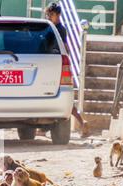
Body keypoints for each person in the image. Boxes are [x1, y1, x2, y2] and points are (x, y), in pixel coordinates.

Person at [45, 2, 90, 138]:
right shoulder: (58, 28)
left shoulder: (54, 28)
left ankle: (82, 122)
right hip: (54, 64)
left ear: (55, 14)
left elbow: (62, 47)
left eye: (50, 14)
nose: (48, 17)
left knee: (60, 98)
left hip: (54, 66)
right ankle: (82, 122)